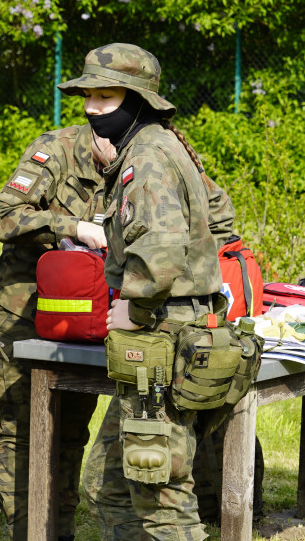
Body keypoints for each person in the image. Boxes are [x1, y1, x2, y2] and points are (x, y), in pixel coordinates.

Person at [59, 43, 225, 539]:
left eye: (106, 98)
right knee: (110, 485)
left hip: (163, 337)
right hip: (161, 341)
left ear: (137, 101)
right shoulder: (150, 147)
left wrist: (134, 304)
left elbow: (163, 250)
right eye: (87, 96)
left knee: (159, 493)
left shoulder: (149, 156)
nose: (91, 108)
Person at [0, 124, 112, 540]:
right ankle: (29, 531)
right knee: (24, 428)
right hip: (25, 306)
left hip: (85, 313)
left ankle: (60, 530)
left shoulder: (141, 153)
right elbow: (1, 214)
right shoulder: (54, 149)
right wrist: (71, 227)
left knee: (72, 428)